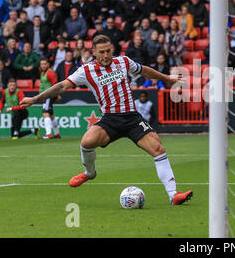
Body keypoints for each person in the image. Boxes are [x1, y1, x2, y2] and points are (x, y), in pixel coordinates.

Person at [20, 35, 193, 205]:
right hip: (110, 119)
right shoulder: (86, 70)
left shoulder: (123, 62)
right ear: (94, 52)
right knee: (86, 142)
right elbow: (62, 86)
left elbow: (144, 70)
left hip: (132, 117)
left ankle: (173, 195)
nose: (106, 55)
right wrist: (35, 99)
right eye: (101, 52)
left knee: (158, 148)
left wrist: (166, 78)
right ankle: (89, 173)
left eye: (108, 51)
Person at [39, 57, 60, 139]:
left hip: (49, 96)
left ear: (47, 64)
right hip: (45, 96)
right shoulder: (42, 73)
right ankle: (57, 133)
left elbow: (55, 85)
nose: (43, 65)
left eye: (44, 64)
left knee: (45, 113)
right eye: (41, 64)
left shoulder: (50, 73)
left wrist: (57, 95)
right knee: (50, 115)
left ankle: (48, 134)